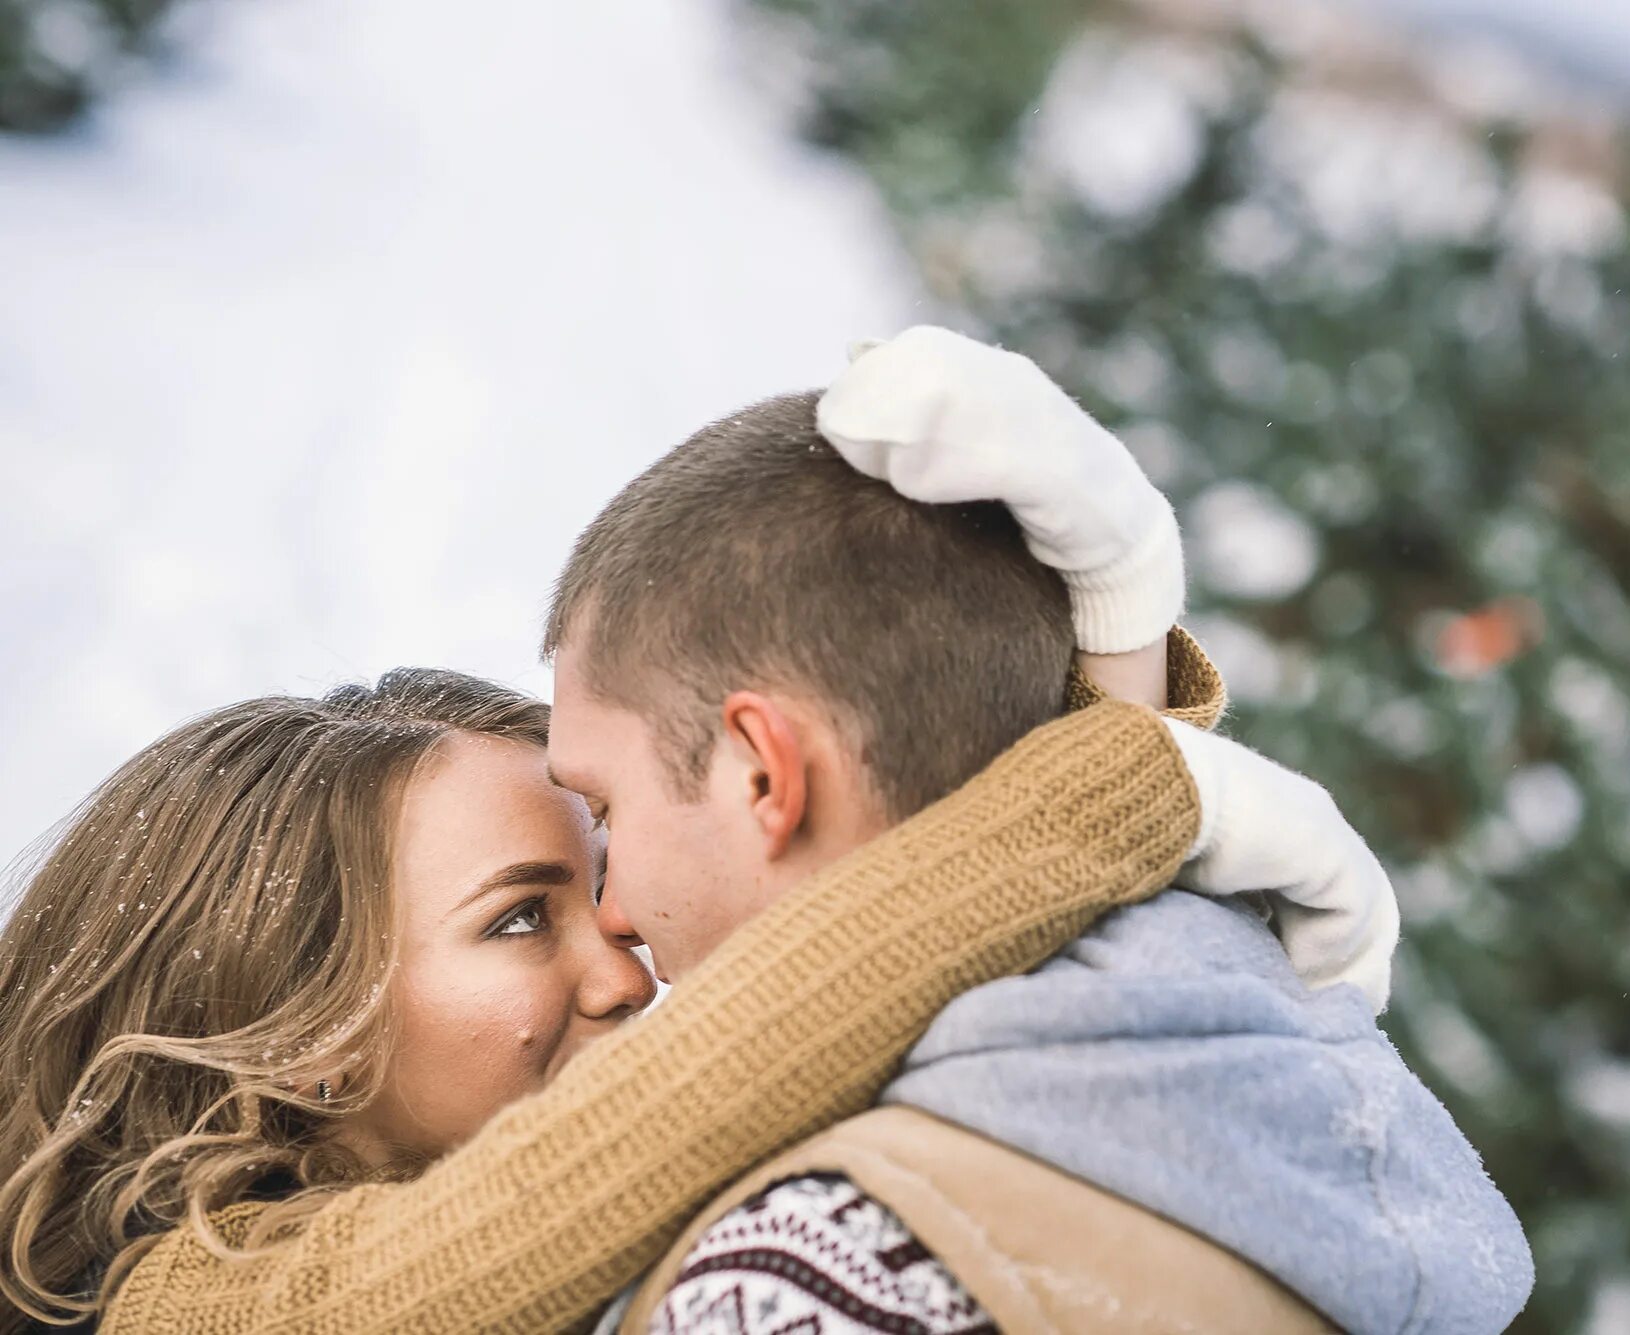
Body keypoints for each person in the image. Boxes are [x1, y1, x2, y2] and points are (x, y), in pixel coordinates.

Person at [0, 338, 1352, 1332]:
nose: (629, 966)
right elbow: (730, 1059)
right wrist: (1119, 783)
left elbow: (951, 994)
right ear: (295, 1027)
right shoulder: (193, 1303)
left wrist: (1112, 635)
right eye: (521, 913)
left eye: (600, 881)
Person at [540, 327, 1533, 1335]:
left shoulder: (804, 1281)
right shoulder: (1262, 1111)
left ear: (764, 774)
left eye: (609, 813)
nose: (612, 911)